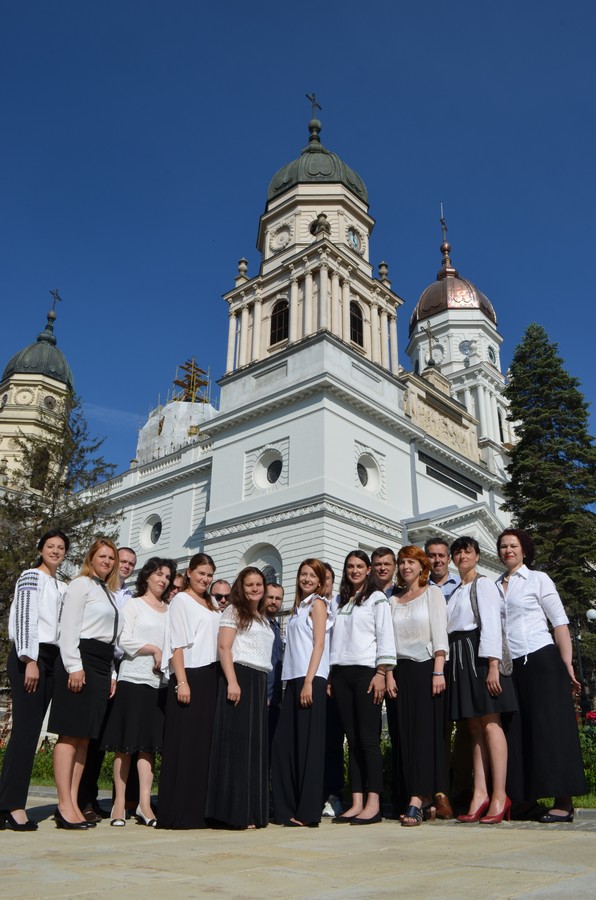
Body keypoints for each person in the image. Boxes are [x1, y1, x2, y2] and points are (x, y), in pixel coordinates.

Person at [496, 528, 587, 822]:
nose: (508, 550)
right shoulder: (495, 585)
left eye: (513, 545)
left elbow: (559, 622)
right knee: (517, 731)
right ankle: (525, 799)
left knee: (551, 729)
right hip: (511, 667)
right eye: (503, 546)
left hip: (540, 658)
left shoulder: (538, 579)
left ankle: (564, 801)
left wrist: (567, 664)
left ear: (524, 550)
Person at [49, 537, 121, 829]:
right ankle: (63, 805)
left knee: (85, 738)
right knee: (69, 735)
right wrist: (74, 666)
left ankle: (74, 802)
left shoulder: (108, 592)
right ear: (91, 558)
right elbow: (68, 628)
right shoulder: (81, 585)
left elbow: (111, 638)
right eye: (102, 556)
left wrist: (112, 673)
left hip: (102, 664)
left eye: (111, 558)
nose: (107, 561)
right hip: (82, 660)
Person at [0, 529, 69, 831]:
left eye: (61, 547)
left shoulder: (62, 586)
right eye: (50, 546)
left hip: (52, 659)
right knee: (26, 732)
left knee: (31, 731)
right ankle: (13, 806)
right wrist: (29, 660)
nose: (55, 551)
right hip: (31, 656)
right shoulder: (31, 576)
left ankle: (6, 803)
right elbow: (24, 617)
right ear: (41, 549)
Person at [447, 536, 518, 825]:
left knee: (490, 723)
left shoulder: (483, 584)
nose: (462, 557)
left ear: (477, 556)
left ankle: (500, 795)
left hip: (480, 656)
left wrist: (493, 665)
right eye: (458, 553)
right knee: (474, 727)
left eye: (468, 552)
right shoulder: (456, 591)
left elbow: (491, 624)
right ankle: (480, 793)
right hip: (460, 658)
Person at [101, 557, 175, 827]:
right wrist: (153, 649)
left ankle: (145, 805)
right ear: (147, 577)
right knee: (125, 745)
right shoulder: (133, 604)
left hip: (158, 684)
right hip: (132, 679)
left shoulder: (170, 610)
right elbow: (123, 639)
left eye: (167, 576)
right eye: (159, 574)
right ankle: (119, 804)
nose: (163, 580)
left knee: (148, 747)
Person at [329, 550, 396, 825]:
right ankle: (356, 801)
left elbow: (385, 635)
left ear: (368, 569)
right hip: (341, 673)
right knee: (352, 737)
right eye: (350, 567)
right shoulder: (340, 600)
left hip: (366, 672)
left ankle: (373, 802)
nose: (354, 571)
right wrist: (331, 675)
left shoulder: (376, 598)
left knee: (368, 738)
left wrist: (381, 672)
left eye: (359, 566)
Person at [206, 567, 273, 830]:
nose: (255, 588)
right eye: (249, 585)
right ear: (241, 588)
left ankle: (252, 811)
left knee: (254, 748)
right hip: (239, 677)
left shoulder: (263, 617)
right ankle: (234, 812)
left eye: (259, 584)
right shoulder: (234, 610)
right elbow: (224, 647)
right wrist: (232, 681)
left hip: (258, 682)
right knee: (237, 746)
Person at [385, 546, 448, 826]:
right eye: (402, 562)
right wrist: (388, 673)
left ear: (422, 566)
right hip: (400, 671)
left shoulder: (432, 593)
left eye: (411, 561)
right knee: (402, 734)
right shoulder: (393, 600)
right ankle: (412, 796)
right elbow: (387, 641)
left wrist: (438, 670)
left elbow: (440, 634)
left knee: (424, 735)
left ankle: (419, 797)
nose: (405, 566)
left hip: (427, 668)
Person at [157, 552, 219, 829]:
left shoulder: (212, 603)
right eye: (201, 573)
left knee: (203, 746)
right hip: (190, 674)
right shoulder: (181, 601)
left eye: (209, 575)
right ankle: (179, 812)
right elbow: (177, 645)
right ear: (190, 573)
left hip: (211, 675)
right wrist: (181, 681)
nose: (205, 579)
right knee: (185, 745)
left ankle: (199, 809)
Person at [78, 545, 137, 822]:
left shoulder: (129, 596)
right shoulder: (98, 589)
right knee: (86, 734)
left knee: (102, 736)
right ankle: (79, 799)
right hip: (94, 660)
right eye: (121, 560)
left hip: (117, 667)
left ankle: (90, 796)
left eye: (130, 563)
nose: (125, 565)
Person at [272, 559, 331, 827]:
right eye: (303, 574)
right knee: (285, 746)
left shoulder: (318, 604)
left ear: (319, 581)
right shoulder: (298, 608)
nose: (306, 579)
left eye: (312, 575)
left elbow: (319, 645)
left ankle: (308, 812)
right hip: (293, 680)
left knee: (309, 747)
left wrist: (308, 681)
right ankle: (287, 809)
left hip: (311, 679)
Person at [321, 562, 344, 818]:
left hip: (334, 680)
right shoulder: (306, 606)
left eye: (326, 578)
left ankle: (334, 795)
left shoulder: (338, 605)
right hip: (313, 679)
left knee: (333, 741)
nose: (322, 582)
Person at [264, 582, 284, 755]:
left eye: (278, 598)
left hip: (276, 698)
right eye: (270, 597)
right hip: (263, 696)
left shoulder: (276, 626)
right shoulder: (258, 625)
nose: (274, 601)